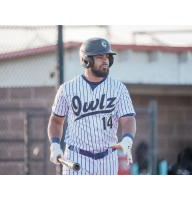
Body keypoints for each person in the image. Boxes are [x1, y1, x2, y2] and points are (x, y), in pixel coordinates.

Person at [47, 37, 136, 175]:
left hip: (108, 159)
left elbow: (128, 118)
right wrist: (55, 144)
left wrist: (127, 139)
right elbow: (56, 120)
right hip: (77, 157)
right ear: (86, 60)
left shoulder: (119, 88)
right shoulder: (67, 89)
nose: (106, 60)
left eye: (107, 56)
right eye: (100, 57)